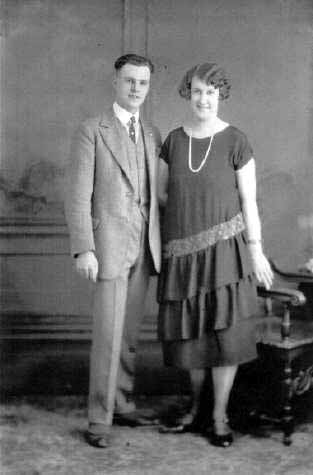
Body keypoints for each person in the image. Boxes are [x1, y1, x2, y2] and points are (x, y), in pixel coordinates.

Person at [157, 62, 274, 447]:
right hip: (183, 256)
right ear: (187, 94)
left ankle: (220, 417)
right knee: (191, 337)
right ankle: (195, 409)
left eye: (210, 91)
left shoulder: (236, 140)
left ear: (220, 94)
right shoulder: (173, 141)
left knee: (225, 336)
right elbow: (160, 197)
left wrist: (255, 251)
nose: (203, 98)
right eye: (196, 91)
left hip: (227, 254)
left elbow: (249, 201)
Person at [65, 53, 162, 448]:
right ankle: (99, 421)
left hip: (144, 245)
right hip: (107, 247)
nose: (136, 88)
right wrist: (83, 249)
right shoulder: (92, 130)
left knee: (129, 335)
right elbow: (76, 196)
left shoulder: (152, 133)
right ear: (115, 83)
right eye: (129, 81)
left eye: (142, 82)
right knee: (108, 335)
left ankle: (121, 403)